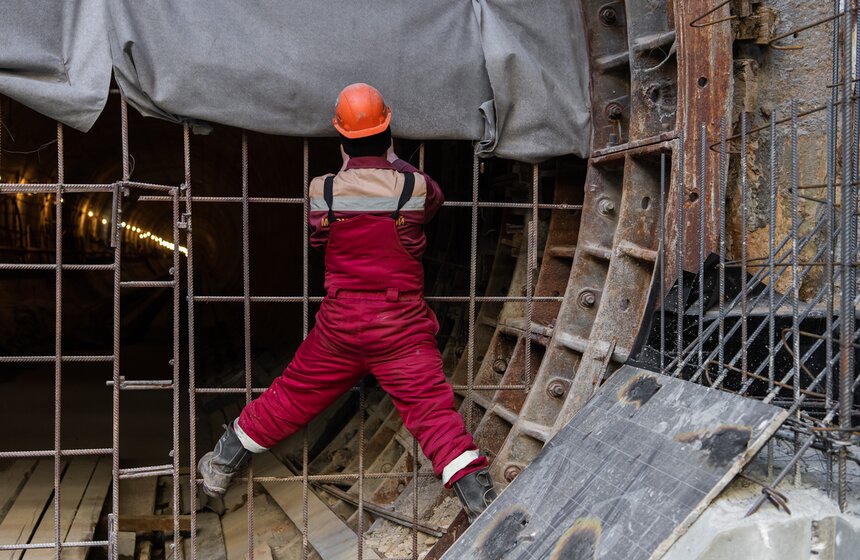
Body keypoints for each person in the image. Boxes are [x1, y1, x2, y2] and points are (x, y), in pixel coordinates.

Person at [197, 83, 497, 522]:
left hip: (340, 324)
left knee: (292, 395)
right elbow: (434, 202)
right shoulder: (413, 187)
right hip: (400, 325)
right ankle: (479, 499)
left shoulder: (324, 191)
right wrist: (391, 163)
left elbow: (321, 236)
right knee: (431, 412)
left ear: (339, 135)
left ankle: (221, 461)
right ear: (389, 125)